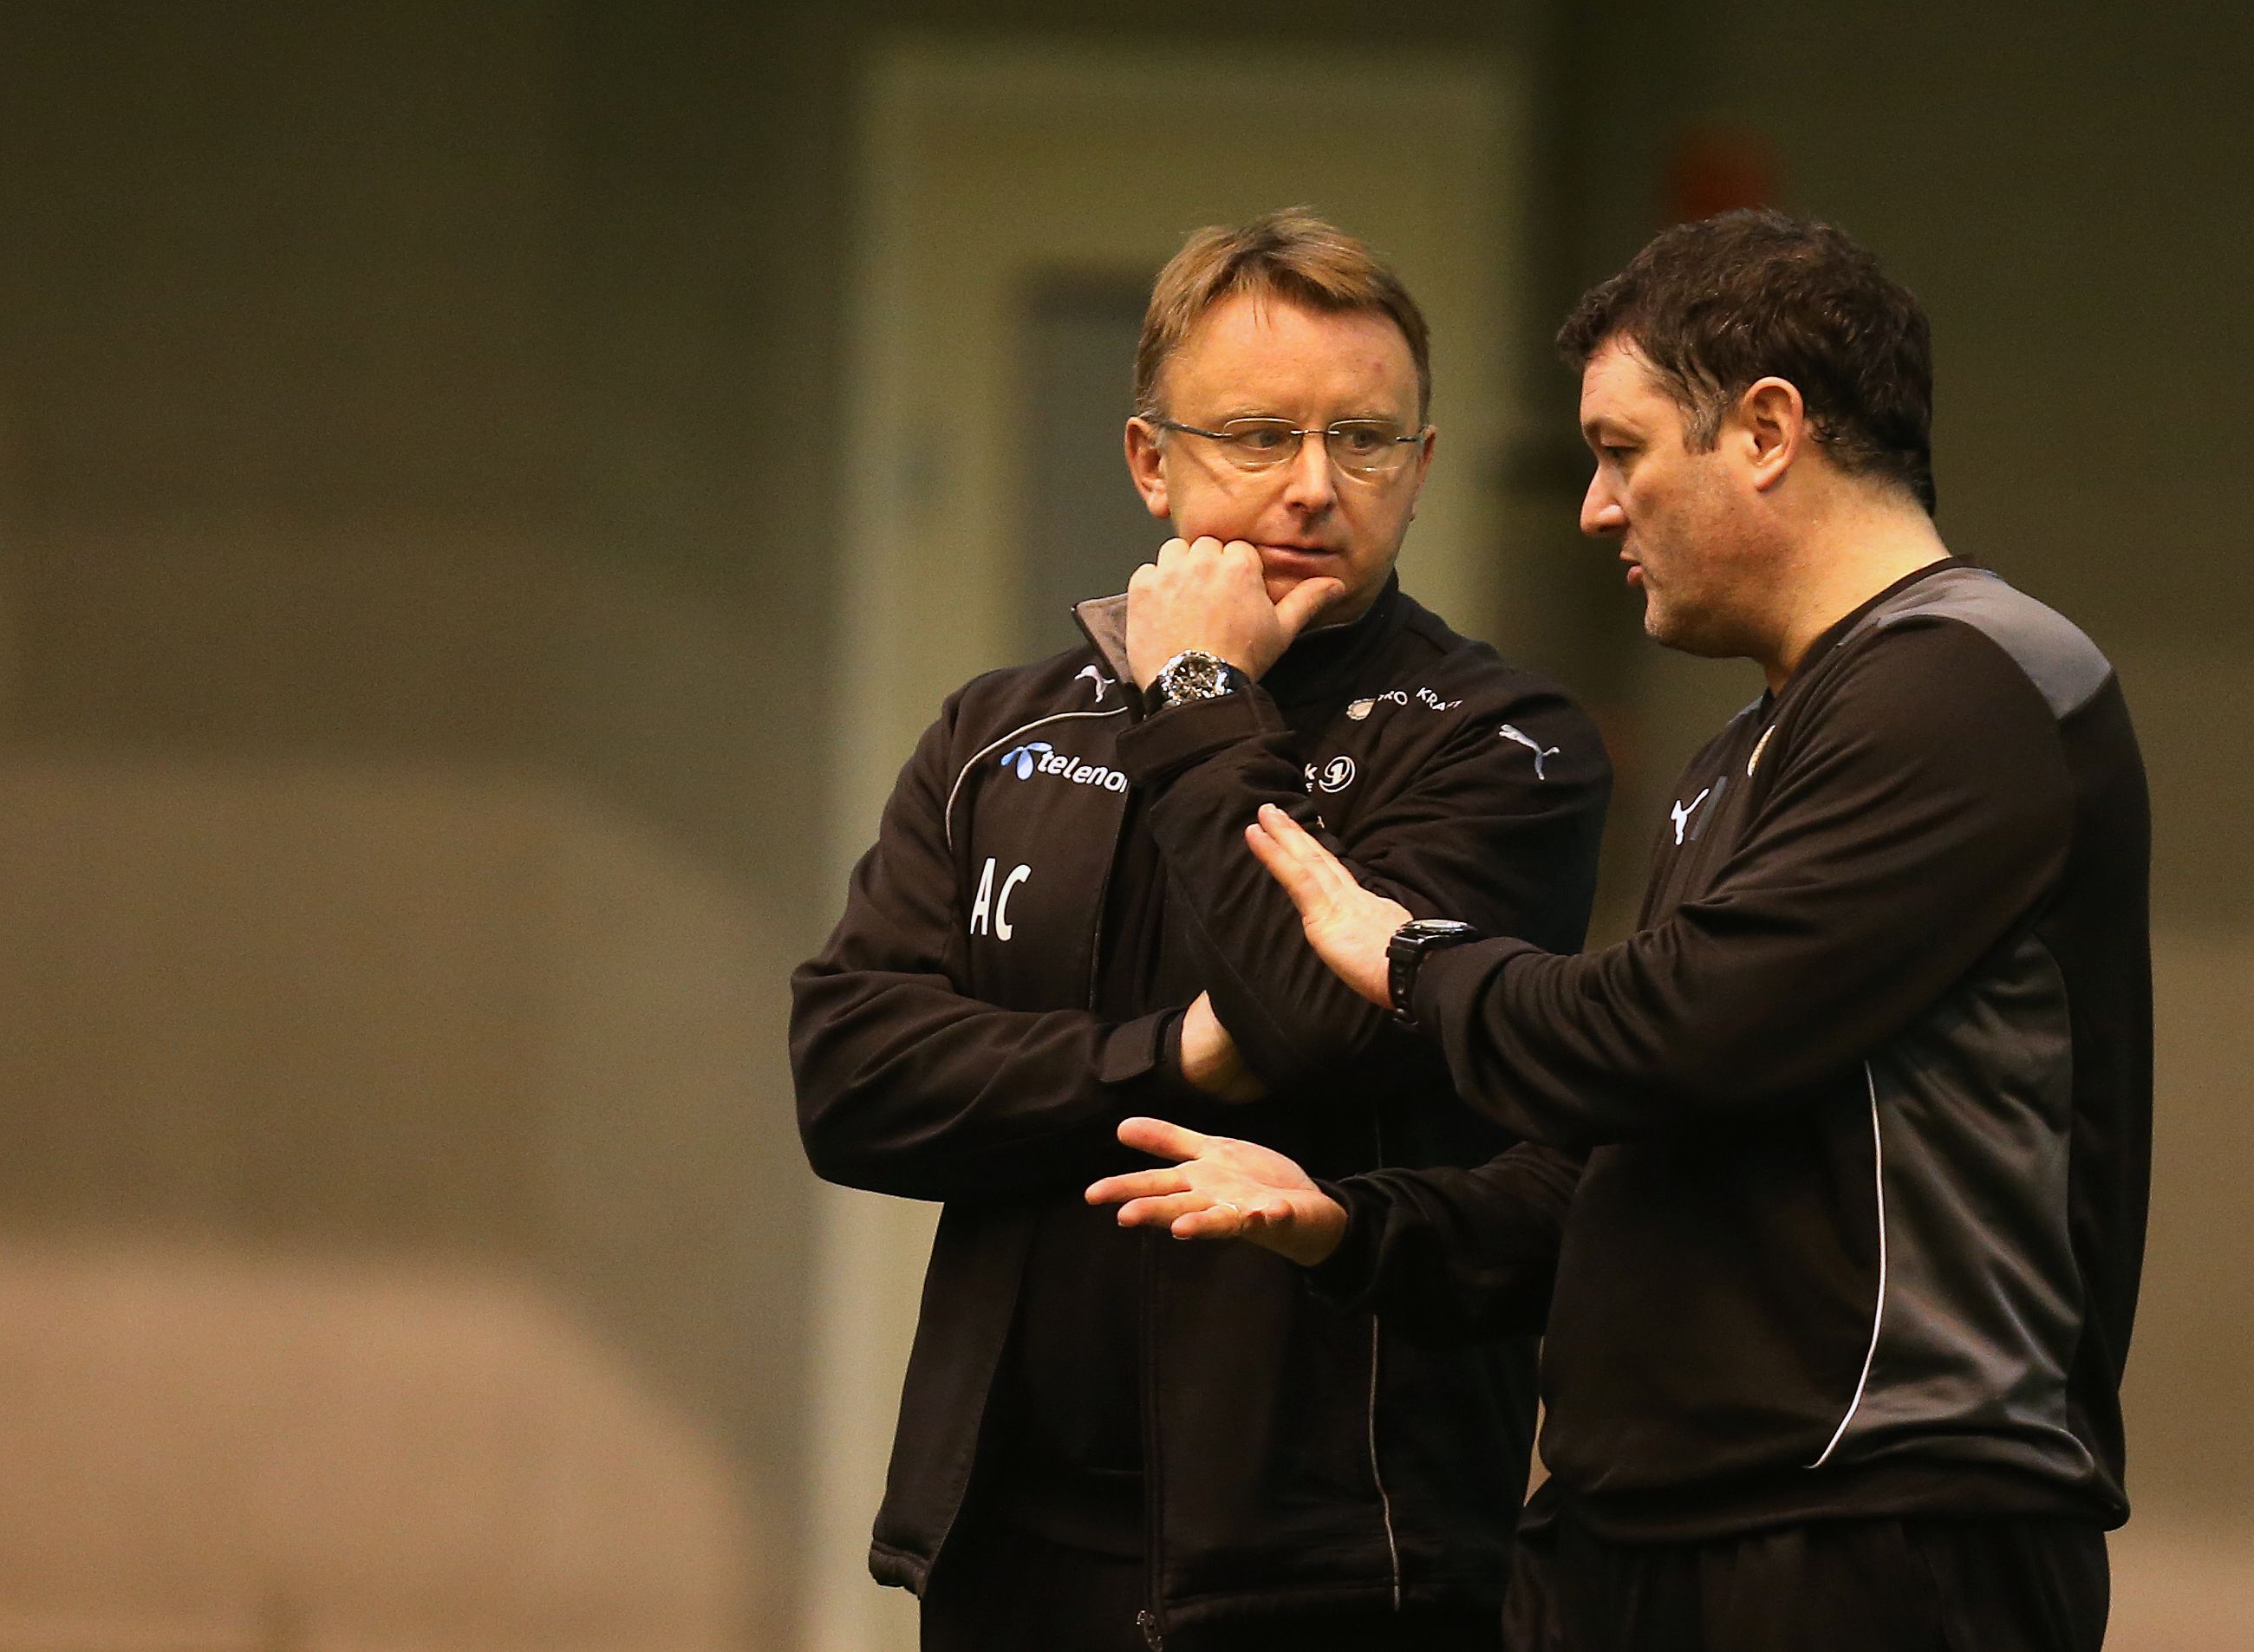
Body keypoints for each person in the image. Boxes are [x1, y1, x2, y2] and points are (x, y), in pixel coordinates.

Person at [1090, 210, 2150, 1652]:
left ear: (1766, 430)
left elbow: (1669, 1030)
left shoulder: (1973, 681)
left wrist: (1407, 957)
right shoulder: (1748, 749)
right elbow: (1611, 1165)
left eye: (1621, 450)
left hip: (1878, 1519)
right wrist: (1354, 1225)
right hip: (1643, 1524)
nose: (1595, 509)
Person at [789, 209, 1611, 1650]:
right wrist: (1169, 1053)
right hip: (1014, 1546)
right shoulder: (997, 732)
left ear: (1422, 471)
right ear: (1149, 460)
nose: (1314, 487)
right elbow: (852, 1078)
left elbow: (1316, 1024)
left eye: (1365, 441)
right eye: (1257, 436)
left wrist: (1199, 697)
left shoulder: (1503, 745)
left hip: (1340, 1564)